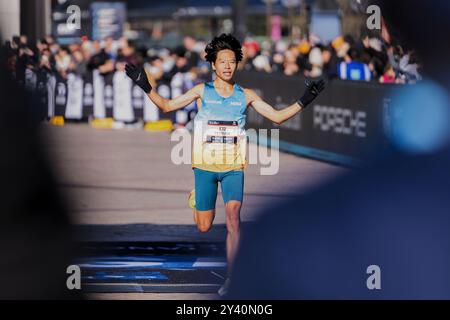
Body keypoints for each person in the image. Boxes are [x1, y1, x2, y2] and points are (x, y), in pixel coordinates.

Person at [124, 33, 325, 296]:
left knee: (233, 219)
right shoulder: (201, 91)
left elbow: (276, 117)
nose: (228, 66)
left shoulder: (246, 95)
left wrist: (304, 100)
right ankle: (197, 199)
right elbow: (166, 106)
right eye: (223, 61)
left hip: (233, 166)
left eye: (232, 61)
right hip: (205, 165)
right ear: (213, 65)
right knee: (204, 226)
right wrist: (145, 85)